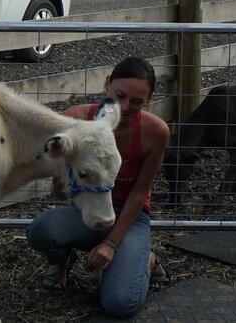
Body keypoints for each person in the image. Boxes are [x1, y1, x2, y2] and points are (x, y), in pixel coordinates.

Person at [25, 56, 171, 319]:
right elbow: (61, 178)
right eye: (120, 95)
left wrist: (112, 244)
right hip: (88, 212)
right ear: (107, 85)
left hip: (130, 215)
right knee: (40, 231)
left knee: (120, 303)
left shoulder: (155, 132)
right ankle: (61, 260)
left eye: (137, 102)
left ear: (148, 101)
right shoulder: (74, 121)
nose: (126, 107)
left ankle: (145, 259)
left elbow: (140, 193)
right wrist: (61, 185)